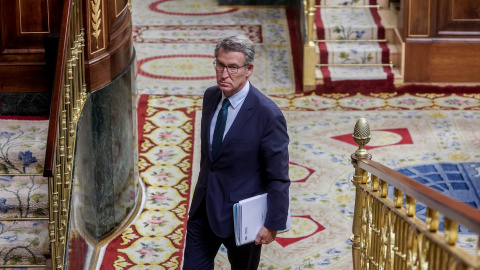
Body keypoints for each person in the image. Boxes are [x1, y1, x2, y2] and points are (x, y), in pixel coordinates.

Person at [183, 35, 290, 270]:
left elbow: (278, 176)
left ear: (249, 69)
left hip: (242, 220)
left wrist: (273, 223)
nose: (224, 74)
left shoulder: (267, 115)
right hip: (203, 209)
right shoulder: (211, 96)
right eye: (220, 65)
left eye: (233, 67)